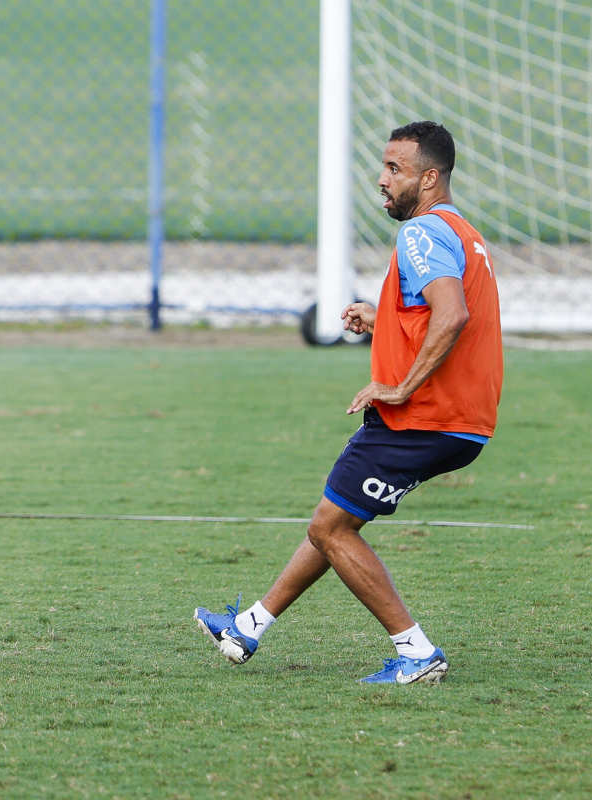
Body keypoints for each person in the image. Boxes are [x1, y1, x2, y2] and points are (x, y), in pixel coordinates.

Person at [194, 121, 503, 684]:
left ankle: (416, 652)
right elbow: (439, 312)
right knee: (332, 519)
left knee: (333, 529)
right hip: (457, 420)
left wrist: (400, 387)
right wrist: (382, 317)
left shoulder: (420, 234)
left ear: (429, 177)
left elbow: (453, 315)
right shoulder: (464, 232)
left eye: (395, 170)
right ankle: (249, 626)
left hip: (422, 418)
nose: (382, 180)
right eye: (383, 166)